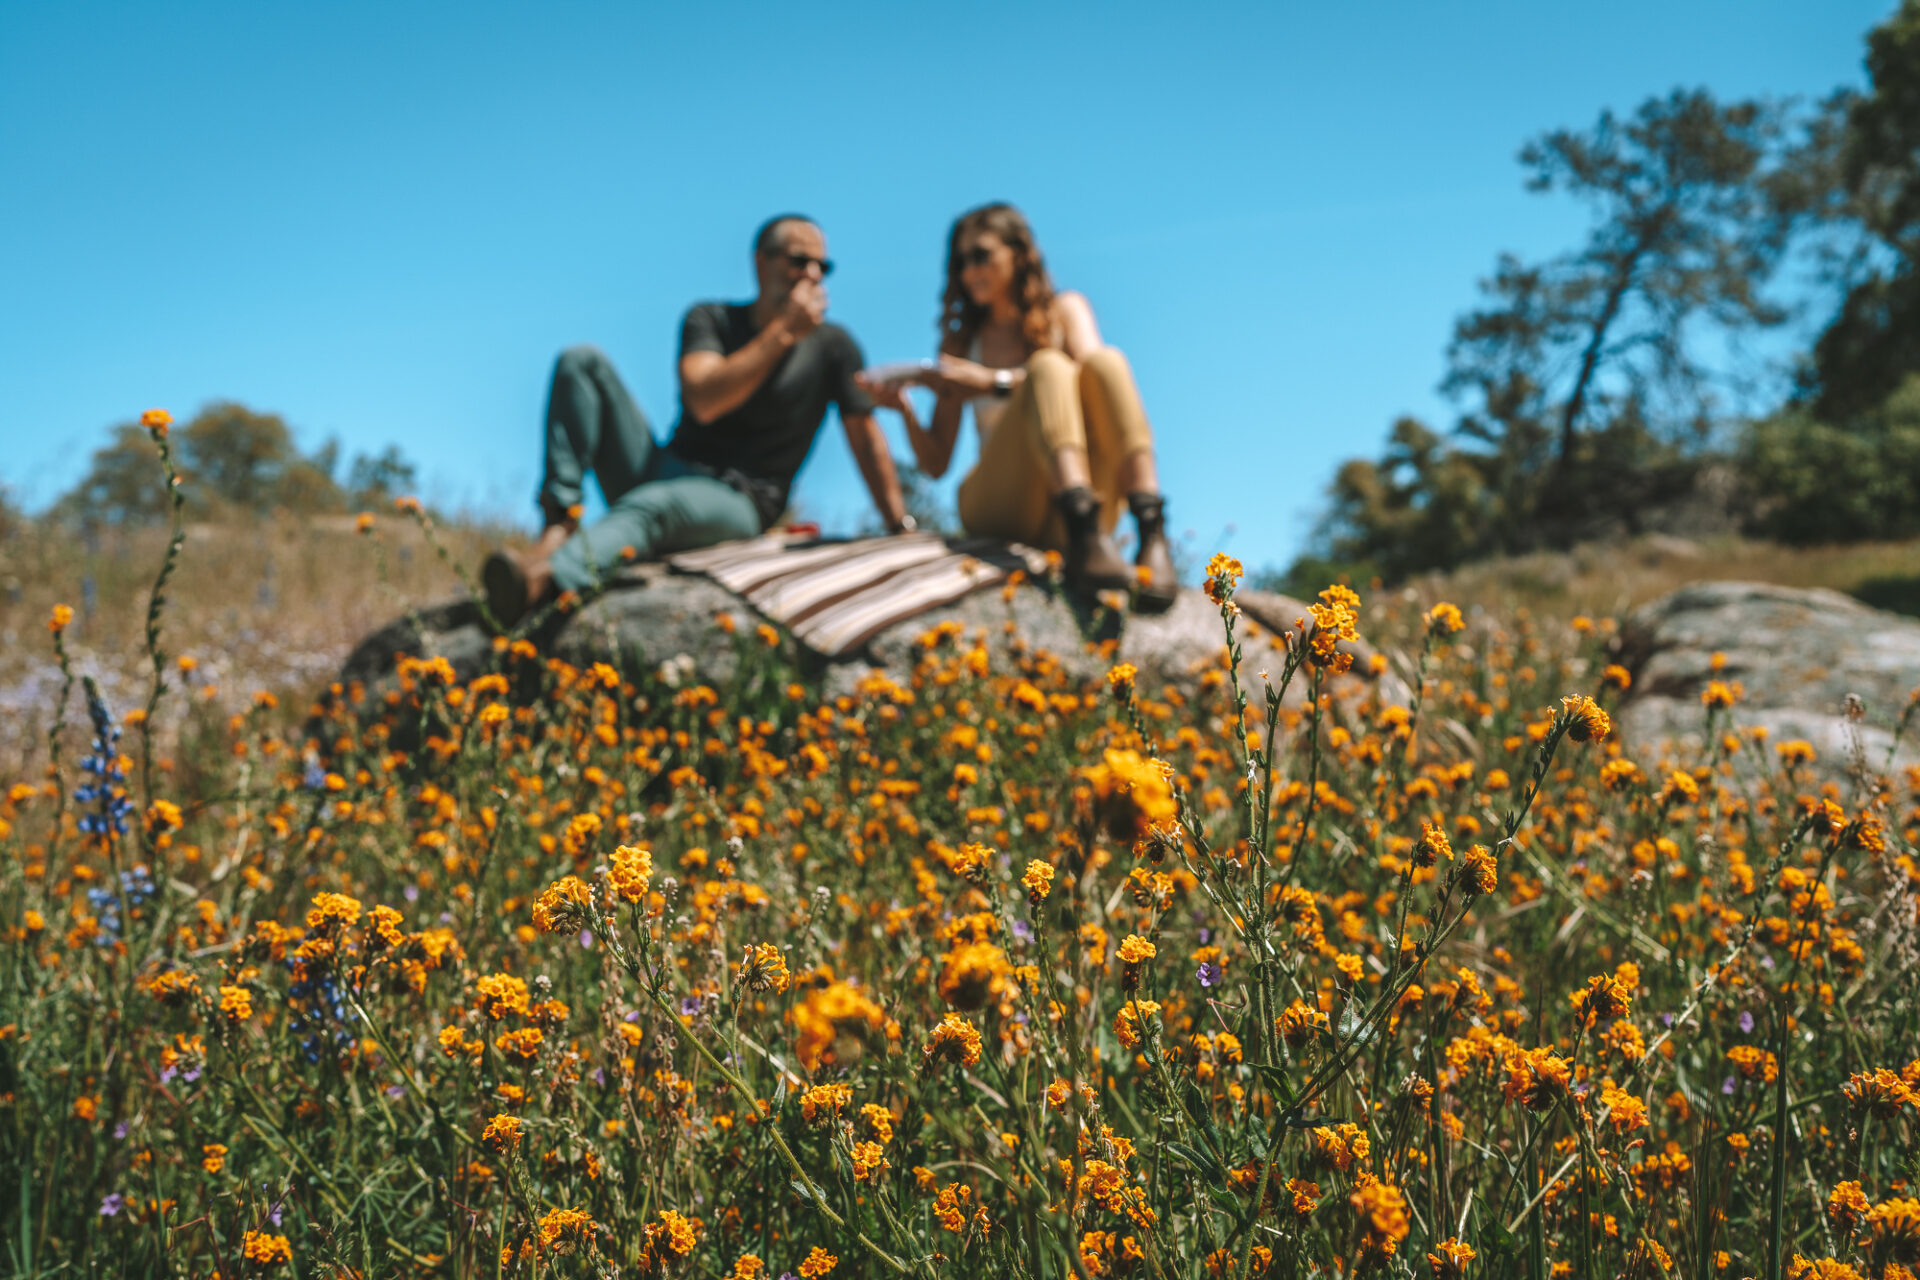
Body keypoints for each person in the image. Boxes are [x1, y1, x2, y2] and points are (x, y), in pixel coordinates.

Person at [482, 214, 912, 626]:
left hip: (739, 503)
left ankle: (546, 582)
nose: (814, 274)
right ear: (760, 262)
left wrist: (898, 525)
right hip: (663, 468)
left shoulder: (834, 347)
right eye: (800, 260)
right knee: (582, 361)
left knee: (654, 507)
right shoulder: (711, 319)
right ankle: (559, 525)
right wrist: (782, 333)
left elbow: (865, 436)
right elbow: (704, 399)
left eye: (823, 266)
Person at [858, 202, 1177, 610]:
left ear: (1018, 254)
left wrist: (992, 382)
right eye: (961, 262)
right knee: (1048, 366)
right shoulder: (962, 342)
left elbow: (1092, 383)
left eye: (981, 255)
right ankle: (1084, 526)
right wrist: (903, 409)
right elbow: (936, 463)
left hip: (1078, 517)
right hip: (1001, 505)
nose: (970, 271)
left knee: (1104, 362)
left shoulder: (1066, 309)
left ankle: (1151, 530)